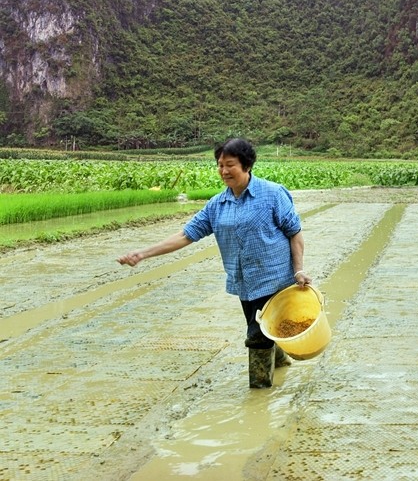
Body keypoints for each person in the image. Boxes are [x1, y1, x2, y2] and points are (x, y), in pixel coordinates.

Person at [117, 138, 311, 388]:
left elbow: (295, 233)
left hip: (274, 280)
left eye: (230, 165)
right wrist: (143, 254)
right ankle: (282, 362)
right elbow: (185, 235)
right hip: (244, 282)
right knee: (265, 329)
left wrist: (299, 270)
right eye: (220, 165)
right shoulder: (217, 205)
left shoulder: (273, 195)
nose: (224, 171)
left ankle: (259, 396)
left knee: (256, 336)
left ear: (247, 165)